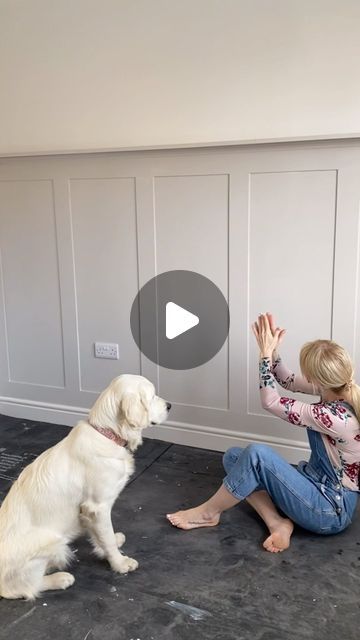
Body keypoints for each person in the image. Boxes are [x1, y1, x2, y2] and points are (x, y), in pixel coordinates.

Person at [167, 313, 360, 552]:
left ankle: (208, 513)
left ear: (314, 378)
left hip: (328, 510)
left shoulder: (333, 416)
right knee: (236, 457)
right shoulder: (335, 388)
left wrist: (264, 355)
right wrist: (272, 350)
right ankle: (277, 523)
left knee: (256, 454)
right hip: (314, 485)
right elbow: (287, 380)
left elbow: (271, 401)